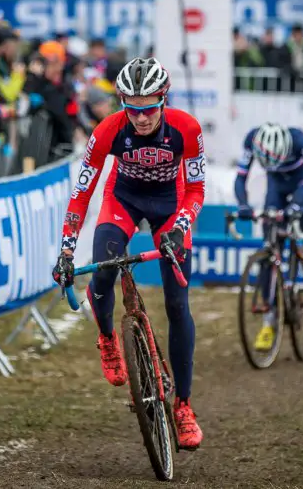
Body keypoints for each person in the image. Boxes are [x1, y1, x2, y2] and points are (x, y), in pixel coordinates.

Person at [51, 57, 205, 449]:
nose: (139, 118)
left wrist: (181, 227)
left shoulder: (186, 128)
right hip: (123, 200)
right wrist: (67, 251)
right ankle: (107, 338)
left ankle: (184, 405)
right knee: (103, 272)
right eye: (131, 108)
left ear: (163, 100)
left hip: (171, 205)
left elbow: (197, 190)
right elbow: (82, 192)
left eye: (148, 108)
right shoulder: (108, 130)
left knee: (176, 301)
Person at [234, 123, 303, 350]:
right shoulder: (251, 139)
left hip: (302, 182)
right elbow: (240, 179)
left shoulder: (300, 140)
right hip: (275, 189)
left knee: (302, 204)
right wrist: (243, 205)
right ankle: (269, 323)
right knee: (270, 247)